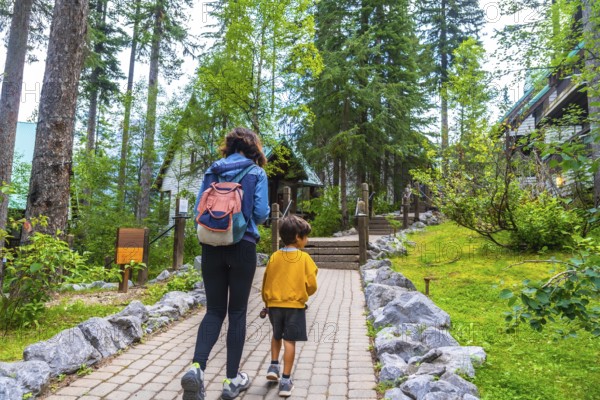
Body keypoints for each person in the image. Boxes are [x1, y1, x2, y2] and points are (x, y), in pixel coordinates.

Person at [181, 127, 270, 400]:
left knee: (214, 310)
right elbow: (261, 213)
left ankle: (197, 368)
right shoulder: (256, 173)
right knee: (238, 313)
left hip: (211, 245)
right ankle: (231, 381)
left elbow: (200, 206)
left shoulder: (213, 170)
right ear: (253, 146)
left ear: (229, 146)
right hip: (243, 245)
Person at [261, 215, 318, 398]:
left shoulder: (274, 257)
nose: (307, 240)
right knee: (289, 341)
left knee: (276, 335)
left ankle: (273, 365)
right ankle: (285, 381)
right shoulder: (304, 258)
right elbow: (312, 284)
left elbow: (266, 282)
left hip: (274, 305)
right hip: (294, 306)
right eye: (305, 237)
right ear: (297, 237)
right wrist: (304, 295)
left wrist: (267, 302)